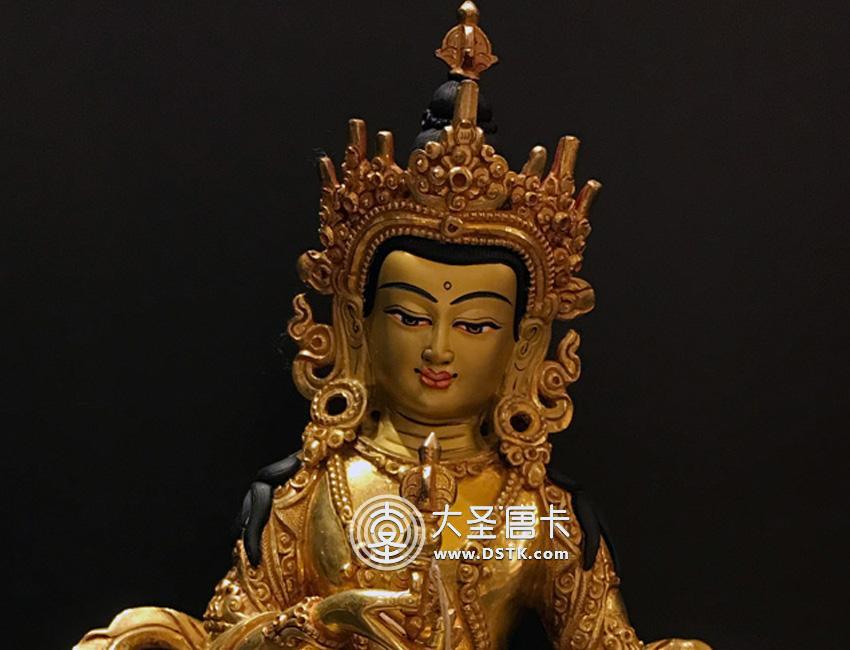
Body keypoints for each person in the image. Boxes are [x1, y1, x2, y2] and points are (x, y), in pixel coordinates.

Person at [76, 4, 710, 649]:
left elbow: (604, 643)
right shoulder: (303, 494)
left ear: (524, 346)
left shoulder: (539, 512)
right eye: (410, 316)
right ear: (358, 323)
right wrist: (320, 620)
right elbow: (225, 638)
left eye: (475, 325)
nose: (438, 348)